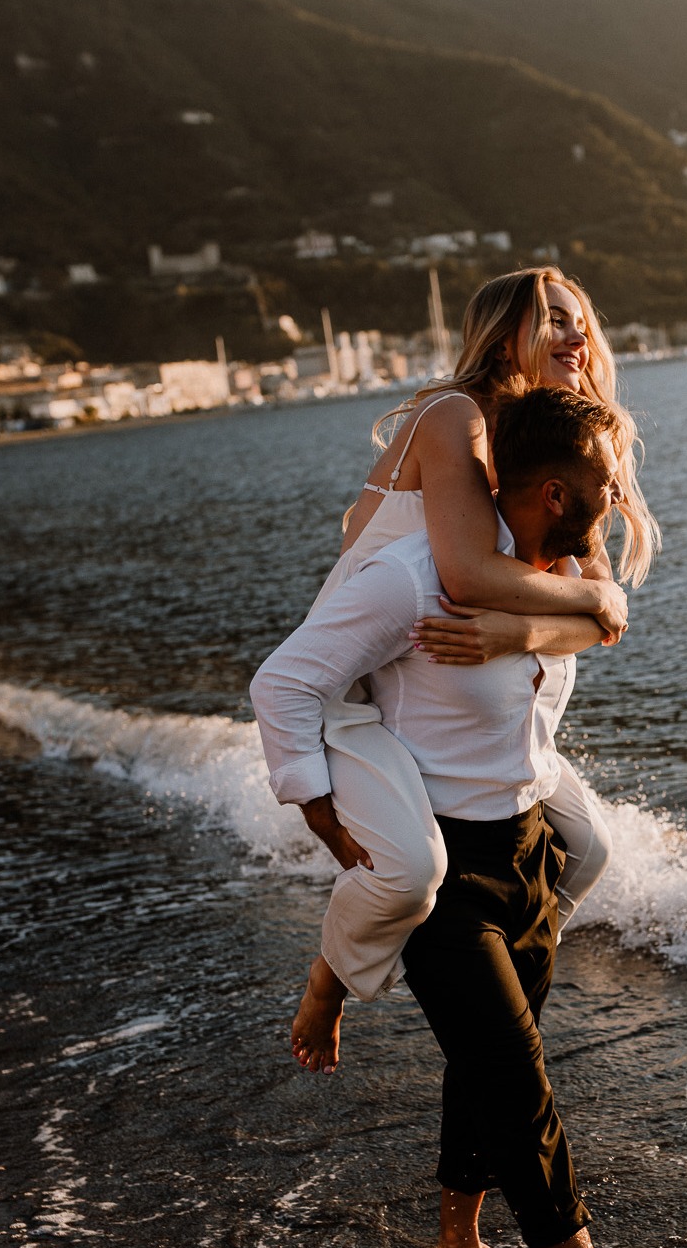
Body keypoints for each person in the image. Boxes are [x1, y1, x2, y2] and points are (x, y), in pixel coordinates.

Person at [251, 386, 687, 1248]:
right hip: (444, 874)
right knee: (516, 1076)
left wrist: (553, 617)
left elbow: (591, 624)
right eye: (604, 485)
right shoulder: (411, 579)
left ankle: (458, 1233)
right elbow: (284, 682)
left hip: (527, 846)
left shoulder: (547, 576)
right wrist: (326, 820)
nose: (619, 497)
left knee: (487, 1064)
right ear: (546, 490)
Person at [272, 267, 657, 1075]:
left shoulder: (545, 444)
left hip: (452, 687)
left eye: (580, 319)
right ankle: (335, 976)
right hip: (364, 693)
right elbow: (466, 576)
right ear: (504, 333)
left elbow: (585, 621)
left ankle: (504, 990)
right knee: (413, 873)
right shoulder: (456, 418)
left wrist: (536, 626)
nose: (575, 335)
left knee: (585, 849)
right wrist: (591, 602)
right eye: (552, 318)